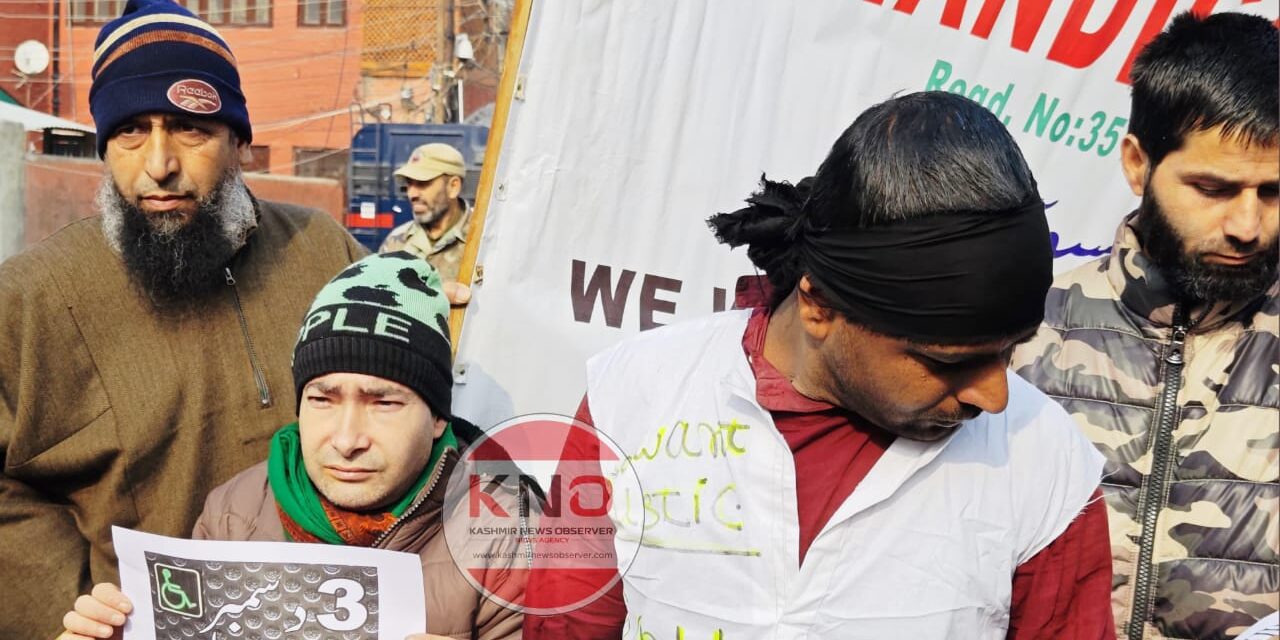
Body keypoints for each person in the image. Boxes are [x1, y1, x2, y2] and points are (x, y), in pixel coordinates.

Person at [525, 91, 1114, 639]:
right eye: (946, 360)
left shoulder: (1043, 458)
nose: (995, 397)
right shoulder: (633, 396)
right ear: (819, 307)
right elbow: (567, 626)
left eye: (1009, 351)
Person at [0, 0, 368, 636]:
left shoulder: (322, 253)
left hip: (328, 617)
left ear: (239, 142)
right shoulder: (35, 297)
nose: (159, 164)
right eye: (130, 132)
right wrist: (72, 606)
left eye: (189, 129)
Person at [58, 252, 525, 640]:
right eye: (322, 399)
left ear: (438, 416)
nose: (347, 440)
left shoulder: (508, 540)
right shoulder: (234, 512)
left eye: (383, 402)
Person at [1012, 12, 1278, 640]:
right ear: (1137, 163)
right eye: (1213, 188)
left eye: (1273, 192)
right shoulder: (1019, 327)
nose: (1247, 226)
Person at [379, 142, 475, 283]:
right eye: (409, 184)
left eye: (422, 183)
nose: (412, 194)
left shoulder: (481, 242)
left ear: (453, 187)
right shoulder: (396, 242)